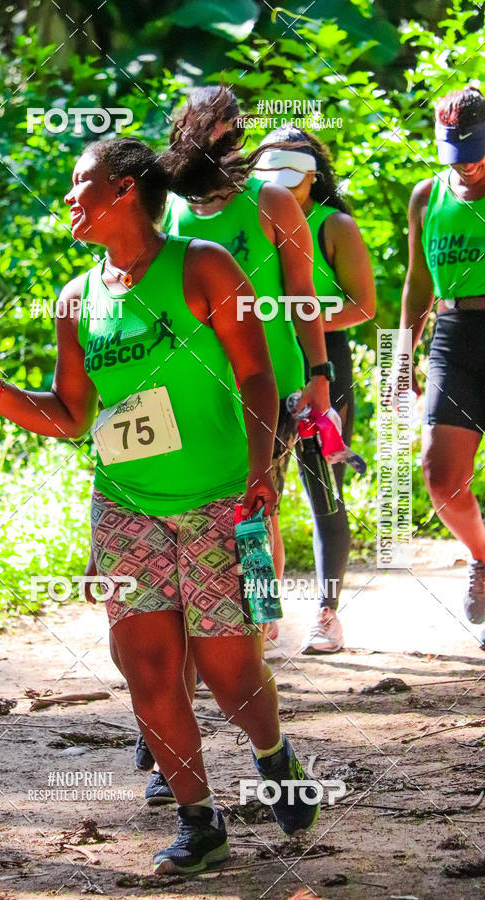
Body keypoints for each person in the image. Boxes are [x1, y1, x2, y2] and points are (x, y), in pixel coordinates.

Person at [0, 137, 321, 875]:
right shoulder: (77, 298)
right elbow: (72, 415)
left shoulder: (204, 266)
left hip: (218, 498)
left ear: (123, 191)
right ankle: (198, 820)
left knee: (229, 672)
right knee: (146, 669)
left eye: (80, 183)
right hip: (125, 505)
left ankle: (272, 753)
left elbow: (255, 379)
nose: (68, 199)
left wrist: (262, 471)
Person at [162, 87, 332, 650]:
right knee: (199, 504)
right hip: (192, 386)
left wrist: (319, 374)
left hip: (269, 379)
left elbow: (303, 294)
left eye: (231, 129)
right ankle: (207, 619)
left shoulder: (272, 203)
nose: (223, 139)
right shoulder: (171, 210)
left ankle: (258, 622)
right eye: (209, 129)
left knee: (255, 506)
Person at [256, 126, 375, 653]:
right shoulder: (251, 220)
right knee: (255, 495)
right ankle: (258, 614)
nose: (282, 189)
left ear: (312, 177)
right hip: (262, 368)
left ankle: (327, 614)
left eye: (292, 180)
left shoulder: (335, 225)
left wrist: (298, 320)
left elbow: (363, 306)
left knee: (322, 490)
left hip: (321, 367)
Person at [399, 85, 485, 636]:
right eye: (457, 151)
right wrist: (402, 352)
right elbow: (417, 280)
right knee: (441, 478)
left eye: (477, 149)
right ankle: (483, 557)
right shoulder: (427, 197)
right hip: (453, 336)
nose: (469, 162)